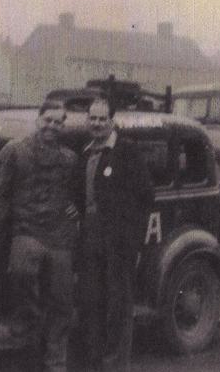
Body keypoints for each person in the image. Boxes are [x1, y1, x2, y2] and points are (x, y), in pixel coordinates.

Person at [0, 103, 79, 372]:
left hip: (59, 235)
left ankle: (55, 363)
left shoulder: (70, 159)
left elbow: (79, 192)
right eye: (48, 120)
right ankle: (28, 345)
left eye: (58, 123)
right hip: (27, 229)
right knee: (22, 274)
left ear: (63, 126)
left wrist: (75, 208)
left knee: (62, 301)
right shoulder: (15, 151)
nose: (52, 126)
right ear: (38, 120)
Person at [77, 97, 155, 371]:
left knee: (117, 307)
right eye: (93, 118)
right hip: (90, 240)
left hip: (118, 243)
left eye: (102, 119)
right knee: (92, 303)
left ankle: (114, 366)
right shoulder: (87, 152)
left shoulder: (127, 151)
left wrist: (131, 242)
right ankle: (94, 363)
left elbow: (146, 196)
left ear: (112, 121)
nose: (97, 123)